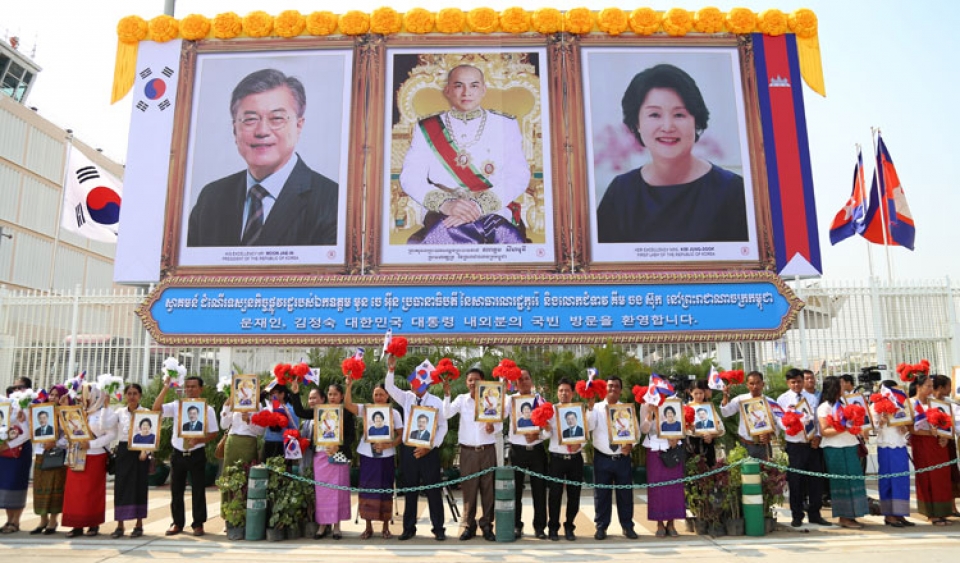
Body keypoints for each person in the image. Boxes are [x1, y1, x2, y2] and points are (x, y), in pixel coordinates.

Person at [187, 68, 339, 247]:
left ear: (298, 126)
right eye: (250, 119)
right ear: (234, 129)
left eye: (277, 118)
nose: (262, 131)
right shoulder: (211, 198)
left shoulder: (333, 202)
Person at [597, 63, 747, 243]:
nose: (668, 127)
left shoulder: (733, 191)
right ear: (637, 123)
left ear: (696, 121)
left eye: (679, 115)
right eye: (654, 115)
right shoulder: (621, 192)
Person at [399, 64, 531, 245]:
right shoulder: (427, 127)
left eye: (474, 85)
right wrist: (447, 204)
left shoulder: (504, 124)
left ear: (484, 90)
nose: (466, 92)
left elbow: (518, 175)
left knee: (503, 234)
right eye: (459, 85)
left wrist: (478, 206)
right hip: (443, 211)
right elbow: (411, 177)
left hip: (494, 208)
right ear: (447, 90)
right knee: (447, 234)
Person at [384, 354, 449, 541]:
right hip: (409, 450)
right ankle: (408, 528)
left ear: (425, 383)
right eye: (412, 381)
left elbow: (443, 426)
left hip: (429, 451)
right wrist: (391, 370)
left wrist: (432, 446)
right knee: (410, 489)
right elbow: (389, 387)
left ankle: (438, 528)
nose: (413, 384)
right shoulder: (406, 397)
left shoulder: (435, 401)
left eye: (417, 381)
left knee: (433, 490)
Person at [153, 374, 219, 537]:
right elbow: (155, 409)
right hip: (178, 452)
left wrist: (198, 440)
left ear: (200, 389)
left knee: (198, 489)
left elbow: (214, 432)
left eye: (193, 386)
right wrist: (165, 387)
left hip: (196, 453)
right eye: (187, 386)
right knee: (176, 489)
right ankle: (177, 522)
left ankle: (198, 523)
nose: (189, 389)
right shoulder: (176, 406)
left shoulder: (207, 409)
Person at [443, 367, 501, 541]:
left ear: (482, 381)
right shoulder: (462, 400)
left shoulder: (491, 398)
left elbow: (500, 424)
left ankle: (487, 526)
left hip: (487, 451)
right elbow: (446, 413)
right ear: (466, 382)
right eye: (470, 380)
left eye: (476, 380)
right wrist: (447, 395)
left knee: (488, 491)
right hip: (467, 452)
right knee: (469, 490)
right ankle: (469, 526)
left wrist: (493, 427)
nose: (473, 383)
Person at [345, 380, 402, 540]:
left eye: (381, 394)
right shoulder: (366, 409)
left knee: (385, 490)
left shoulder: (394, 413)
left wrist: (387, 445)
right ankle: (368, 527)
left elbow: (401, 435)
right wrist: (349, 386)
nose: (378, 397)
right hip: (367, 456)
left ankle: (385, 528)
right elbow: (348, 405)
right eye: (376, 394)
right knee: (367, 490)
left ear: (387, 396)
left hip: (386, 457)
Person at [777, 369, 831, 528]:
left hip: (812, 444)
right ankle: (797, 515)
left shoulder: (812, 398)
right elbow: (779, 420)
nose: (796, 385)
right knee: (796, 482)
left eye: (799, 381)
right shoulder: (783, 399)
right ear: (788, 383)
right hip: (794, 444)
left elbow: (817, 419)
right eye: (793, 382)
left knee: (815, 480)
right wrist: (788, 424)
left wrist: (818, 436)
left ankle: (815, 514)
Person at [63, 383, 119, 538]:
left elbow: (111, 434)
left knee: (92, 492)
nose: (83, 398)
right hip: (77, 455)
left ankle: (93, 524)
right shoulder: (79, 411)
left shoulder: (104, 412)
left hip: (96, 456)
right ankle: (76, 525)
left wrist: (91, 444)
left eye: (86, 394)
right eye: (82, 394)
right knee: (75, 492)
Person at [589, 376, 639, 540]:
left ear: (620, 390)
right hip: (602, 458)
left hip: (622, 458)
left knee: (625, 494)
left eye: (616, 386)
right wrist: (589, 409)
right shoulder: (595, 408)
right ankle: (601, 527)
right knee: (601, 494)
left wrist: (631, 445)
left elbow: (636, 433)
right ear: (605, 388)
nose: (612, 389)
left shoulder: (626, 409)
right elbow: (589, 427)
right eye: (610, 386)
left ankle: (627, 526)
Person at [817, 375, 868, 529]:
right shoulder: (824, 407)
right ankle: (844, 517)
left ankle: (853, 514)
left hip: (850, 445)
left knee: (854, 479)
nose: (844, 387)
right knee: (841, 482)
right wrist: (844, 428)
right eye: (840, 385)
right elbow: (824, 430)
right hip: (834, 448)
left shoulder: (845, 403)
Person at [505, 369, 547, 539]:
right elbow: (498, 414)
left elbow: (551, 427)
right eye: (520, 380)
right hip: (517, 450)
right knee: (516, 491)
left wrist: (539, 434)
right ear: (515, 384)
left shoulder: (540, 400)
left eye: (526, 378)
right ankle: (516, 525)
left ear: (531, 381)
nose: (523, 382)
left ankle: (539, 527)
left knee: (539, 490)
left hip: (536, 450)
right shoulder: (510, 401)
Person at [910, 374, 955, 525]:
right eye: (928, 386)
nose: (931, 389)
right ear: (918, 387)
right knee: (927, 478)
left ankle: (942, 512)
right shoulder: (911, 403)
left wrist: (945, 436)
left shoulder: (934, 403)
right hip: (922, 445)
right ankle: (931, 513)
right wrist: (930, 433)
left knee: (941, 477)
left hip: (939, 445)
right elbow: (911, 428)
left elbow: (946, 422)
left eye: (931, 386)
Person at [312, 383, 355, 540]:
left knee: (338, 490)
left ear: (341, 396)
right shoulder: (320, 411)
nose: (332, 397)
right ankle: (322, 525)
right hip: (321, 455)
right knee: (322, 491)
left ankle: (337, 527)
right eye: (329, 394)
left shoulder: (347, 414)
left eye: (335, 394)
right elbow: (300, 412)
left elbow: (351, 437)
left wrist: (339, 445)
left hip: (339, 455)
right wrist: (295, 393)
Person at [545, 378, 585, 541]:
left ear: (572, 393)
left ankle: (570, 526)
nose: (564, 393)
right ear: (557, 393)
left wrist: (579, 445)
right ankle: (553, 527)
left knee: (574, 495)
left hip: (575, 459)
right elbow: (545, 435)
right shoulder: (551, 411)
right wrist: (546, 429)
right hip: (557, 459)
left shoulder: (579, 410)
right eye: (561, 390)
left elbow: (586, 433)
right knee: (554, 495)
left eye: (567, 390)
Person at [873, 381, 915, 527]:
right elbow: (872, 428)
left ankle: (900, 513)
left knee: (902, 480)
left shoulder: (900, 404)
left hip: (900, 444)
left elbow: (907, 421)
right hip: (886, 446)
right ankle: (889, 515)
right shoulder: (876, 405)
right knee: (888, 480)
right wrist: (882, 422)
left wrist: (905, 427)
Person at [29, 385, 70, 535]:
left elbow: (69, 437)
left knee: (55, 489)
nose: (53, 398)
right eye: (51, 395)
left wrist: (55, 443)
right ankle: (43, 520)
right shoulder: (40, 411)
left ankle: (53, 521)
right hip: (40, 454)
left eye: (56, 395)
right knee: (40, 488)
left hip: (56, 455)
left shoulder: (64, 413)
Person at [111, 384, 150, 538]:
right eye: (129, 393)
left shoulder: (146, 412)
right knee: (121, 487)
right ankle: (120, 525)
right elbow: (107, 426)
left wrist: (145, 451)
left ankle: (139, 524)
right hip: (123, 452)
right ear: (125, 395)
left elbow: (151, 435)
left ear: (140, 395)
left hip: (140, 452)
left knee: (139, 486)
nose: (132, 396)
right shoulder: (119, 413)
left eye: (135, 393)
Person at [641, 400, 684, 537]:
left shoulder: (675, 402)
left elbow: (683, 425)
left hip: (672, 447)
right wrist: (651, 414)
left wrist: (676, 438)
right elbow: (644, 429)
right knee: (657, 488)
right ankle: (659, 523)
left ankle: (671, 523)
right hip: (654, 448)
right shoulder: (645, 404)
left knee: (673, 486)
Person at [720, 371, 772, 460]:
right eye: (751, 383)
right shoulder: (740, 399)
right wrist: (725, 396)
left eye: (758, 383)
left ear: (763, 384)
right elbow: (725, 413)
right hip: (745, 444)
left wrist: (769, 435)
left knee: (765, 472)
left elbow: (777, 422)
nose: (755, 386)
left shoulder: (770, 402)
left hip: (763, 445)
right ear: (747, 385)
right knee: (746, 472)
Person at [0, 398, 32, 534]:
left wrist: (8, 445)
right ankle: (8, 519)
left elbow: (27, 433)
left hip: (19, 451)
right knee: (5, 486)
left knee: (16, 483)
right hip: (3, 452)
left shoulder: (21, 404)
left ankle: (16, 521)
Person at [932, 374, 960, 512]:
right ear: (941, 387)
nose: (950, 389)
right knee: (937, 475)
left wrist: (949, 435)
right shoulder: (928, 402)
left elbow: (955, 422)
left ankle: (953, 507)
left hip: (948, 441)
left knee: (952, 473)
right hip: (933, 442)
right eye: (949, 386)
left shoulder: (950, 403)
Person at [685, 381, 718, 467]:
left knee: (709, 473)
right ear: (690, 393)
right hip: (691, 446)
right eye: (696, 393)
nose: (699, 396)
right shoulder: (686, 407)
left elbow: (720, 428)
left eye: (701, 393)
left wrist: (711, 435)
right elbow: (681, 429)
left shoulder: (710, 407)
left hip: (707, 446)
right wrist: (689, 429)